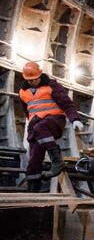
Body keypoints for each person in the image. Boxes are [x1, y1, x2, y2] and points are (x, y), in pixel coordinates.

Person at [19, 61, 84, 192]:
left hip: (54, 121)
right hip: (36, 125)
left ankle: (57, 161)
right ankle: (33, 188)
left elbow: (67, 104)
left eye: (35, 79)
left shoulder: (52, 86)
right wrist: (30, 126)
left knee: (40, 128)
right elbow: (28, 112)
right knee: (34, 158)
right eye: (30, 80)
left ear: (40, 75)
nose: (33, 82)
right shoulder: (22, 92)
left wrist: (75, 119)